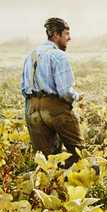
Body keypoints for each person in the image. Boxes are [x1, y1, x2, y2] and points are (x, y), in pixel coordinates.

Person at [20, 17, 83, 165]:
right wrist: (76, 97)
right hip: (55, 108)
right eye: (66, 34)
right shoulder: (58, 56)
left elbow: (24, 88)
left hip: (32, 109)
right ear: (56, 35)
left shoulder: (31, 56)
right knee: (78, 152)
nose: (69, 38)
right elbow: (64, 92)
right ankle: (74, 184)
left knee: (46, 161)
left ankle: (50, 186)